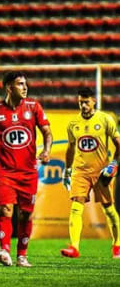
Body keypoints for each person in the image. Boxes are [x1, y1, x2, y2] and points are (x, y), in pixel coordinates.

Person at [0, 71, 52, 267]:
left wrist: (47, 151)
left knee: (25, 214)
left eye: (25, 83)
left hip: (28, 172)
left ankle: (22, 256)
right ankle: (5, 250)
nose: (25, 87)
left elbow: (47, 133)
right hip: (5, 172)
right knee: (5, 210)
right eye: (20, 84)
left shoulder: (33, 107)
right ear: (9, 87)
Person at [60, 87, 120, 259]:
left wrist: (114, 163)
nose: (83, 106)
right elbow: (71, 148)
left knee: (109, 209)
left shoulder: (105, 119)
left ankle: (117, 245)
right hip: (80, 171)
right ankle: (74, 247)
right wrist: (67, 170)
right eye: (80, 102)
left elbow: (118, 143)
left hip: (101, 172)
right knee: (76, 206)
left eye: (86, 102)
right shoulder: (73, 124)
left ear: (94, 101)